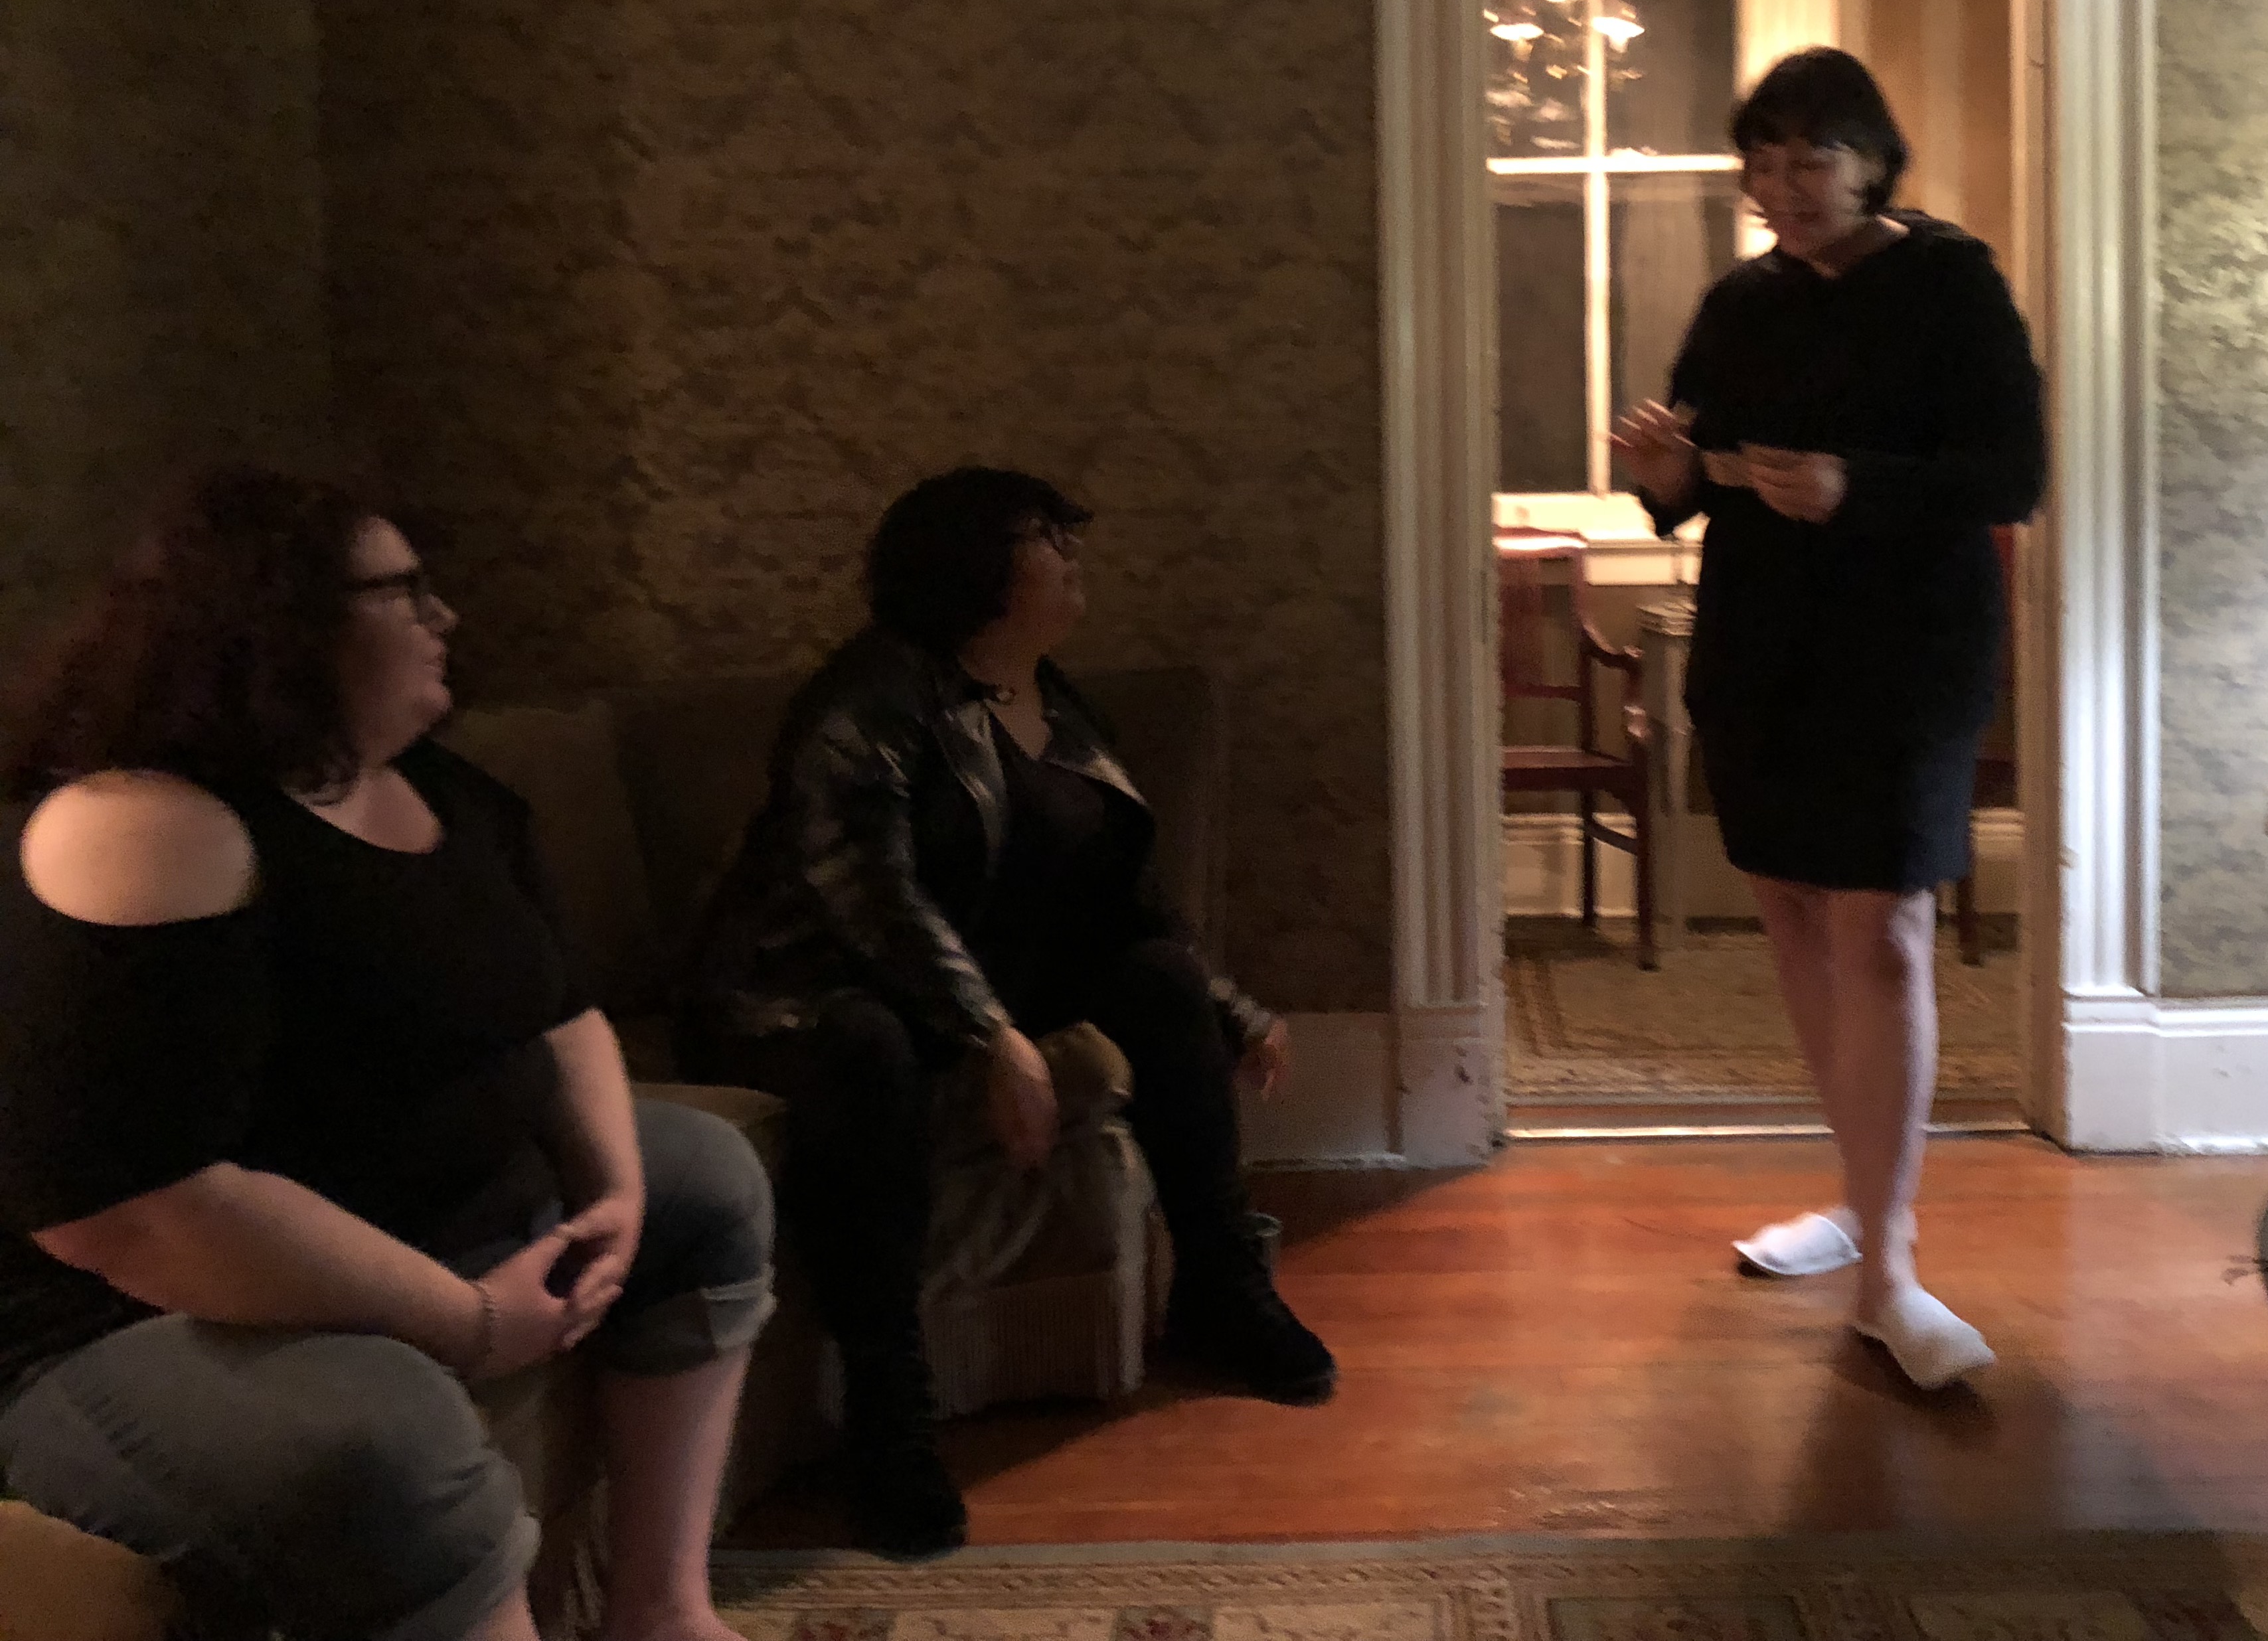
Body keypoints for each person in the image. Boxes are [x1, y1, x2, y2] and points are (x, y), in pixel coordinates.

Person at [0, 467, 775, 1641]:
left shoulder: (442, 791)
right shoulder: (142, 828)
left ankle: (662, 1611)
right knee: (381, 1441)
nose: (443, 616)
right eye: (403, 591)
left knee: (702, 1177)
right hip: (125, 1315)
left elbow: (561, 1014)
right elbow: (132, 1216)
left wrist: (614, 1193)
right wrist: (468, 1322)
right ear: (277, 624)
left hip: (415, 1209)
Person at [679, 465, 1333, 1559]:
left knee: (1160, 983)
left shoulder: (1057, 702)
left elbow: (1123, 903)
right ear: (972, 568)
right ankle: (888, 1411)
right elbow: (871, 903)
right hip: (805, 992)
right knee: (869, 1047)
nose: (1073, 557)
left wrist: (1234, 1011)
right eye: (1045, 538)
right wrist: (994, 1036)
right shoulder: (865, 701)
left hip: (972, 980)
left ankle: (1221, 1290)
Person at [1610, 48, 2044, 1392]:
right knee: (1796, 917)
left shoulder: (1952, 282)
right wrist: (1663, 475)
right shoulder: (1740, 301)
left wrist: (1859, 488)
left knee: (1888, 933)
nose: (1783, 186)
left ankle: (1890, 1271)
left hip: (1906, 653)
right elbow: (1692, 477)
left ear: (1873, 163)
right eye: (1764, 162)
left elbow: (2012, 474)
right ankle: (1862, 1198)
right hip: (1761, 647)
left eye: (1812, 159)